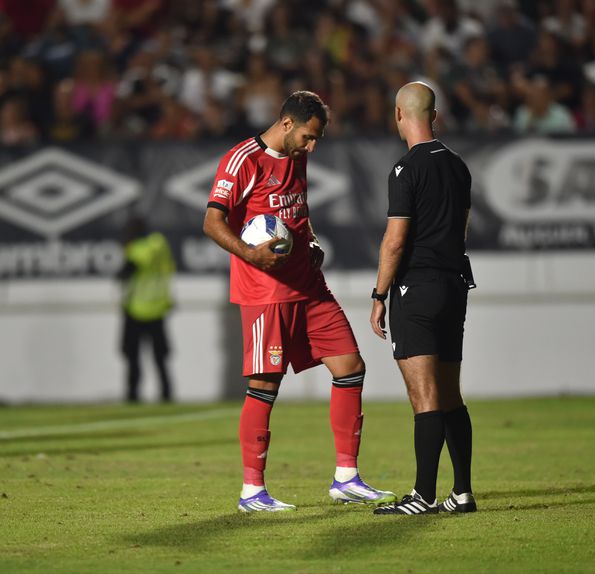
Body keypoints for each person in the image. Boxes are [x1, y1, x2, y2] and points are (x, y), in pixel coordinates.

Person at [203, 90, 396, 512]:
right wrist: (250, 253)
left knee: (350, 366)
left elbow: (296, 210)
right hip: (265, 292)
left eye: (317, 140)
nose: (312, 146)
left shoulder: (298, 156)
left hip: (309, 285)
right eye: (308, 137)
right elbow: (211, 221)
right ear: (287, 123)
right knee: (265, 385)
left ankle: (346, 477)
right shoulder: (242, 161)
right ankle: (252, 491)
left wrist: (309, 240)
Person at [369, 82, 476, 516]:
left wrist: (379, 294)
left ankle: (424, 495)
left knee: (424, 395)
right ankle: (462, 492)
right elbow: (463, 228)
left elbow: (395, 242)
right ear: (434, 115)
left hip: (418, 288)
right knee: (450, 393)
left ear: (399, 114)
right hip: (455, 285)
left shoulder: (405, 169)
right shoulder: (458, 165)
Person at [117, 215, 175, 403]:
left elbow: (126, 272)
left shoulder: (136, 249)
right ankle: (166, 394)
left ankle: (132, 395)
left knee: (133, 357)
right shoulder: (160, 244)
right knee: (160, 357)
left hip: (136, 309)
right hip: (159, 307)